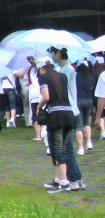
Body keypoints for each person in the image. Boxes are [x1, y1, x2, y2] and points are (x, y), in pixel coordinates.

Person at [47, 46, 84, 190]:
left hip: (68, 111)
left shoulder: (68, 70)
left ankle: (73, 179)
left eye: (53, 53)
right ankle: (74, 177)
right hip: (67, 110)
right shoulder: (62, 70)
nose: (52, 56)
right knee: (64, 148)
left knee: (65, 148)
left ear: (58, 53)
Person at [37, 60, 77, 192]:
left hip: (56, 116)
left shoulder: (43, 77)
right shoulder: (62, 76)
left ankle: (64, 183)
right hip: (68, 114)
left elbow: (46, 97)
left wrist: (39, 107)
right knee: (63, 148)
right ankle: (58, 179)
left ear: (41, 68)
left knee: (57, 149)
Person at [75, 59, 95, 154]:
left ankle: (80, 147)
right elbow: (91, 88)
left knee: (78, 125)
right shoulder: (91, 77)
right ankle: (89, 142)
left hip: (78, 100)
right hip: (89, 100)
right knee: (87, 122)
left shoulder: (75, 77)